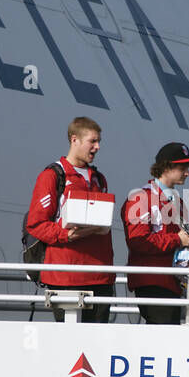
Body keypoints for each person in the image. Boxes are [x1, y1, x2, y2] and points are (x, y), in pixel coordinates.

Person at [25, 117, 115, 322]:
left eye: (99, 141)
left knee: (97, 343)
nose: (97, 147)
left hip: (100, 276)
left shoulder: (99, 179)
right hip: (66, 276)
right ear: (74, 140)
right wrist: (67, 235)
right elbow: (36, 224)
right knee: (69, 344)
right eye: (92, 141)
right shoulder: (53, 175)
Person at [122, 142, 189, 324]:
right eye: (183, 167)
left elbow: (181, 239)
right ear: (166, 167)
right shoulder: (141, 197)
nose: (187, 173)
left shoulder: (176, 201)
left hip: (170, 282)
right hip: (152, 281)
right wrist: (177, 239)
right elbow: (137, 241)